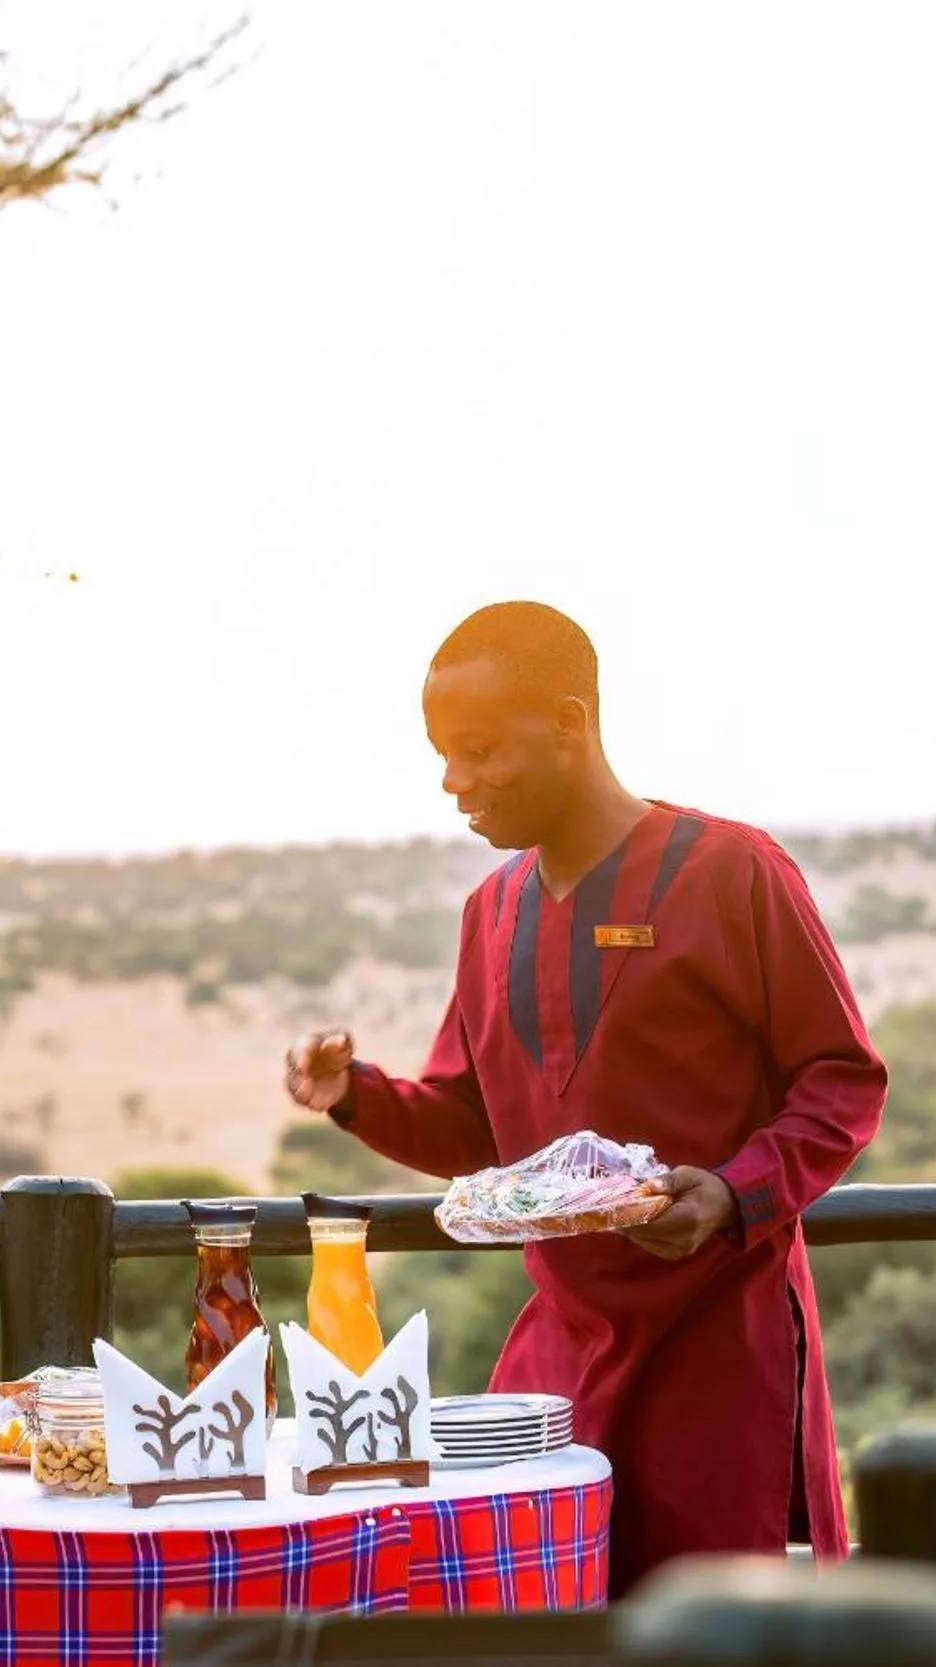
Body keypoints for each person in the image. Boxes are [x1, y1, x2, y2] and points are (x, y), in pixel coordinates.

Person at [283, 601, 887, 1596]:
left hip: (717, 1342)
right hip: (557, 1355)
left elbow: (841, 1077)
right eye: (442, 752)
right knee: (535, 1618)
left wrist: (734, 1191)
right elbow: (477, 1128)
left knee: (708, 1635)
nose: (453, 781)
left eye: (478, 748)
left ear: (567, 722)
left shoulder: (731, 868)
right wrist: (355, 1094)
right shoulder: (493, 910)